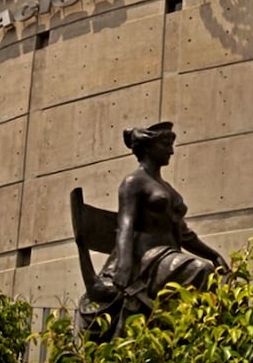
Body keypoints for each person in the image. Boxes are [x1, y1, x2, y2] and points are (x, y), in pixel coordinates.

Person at [84, 122, 228, 332]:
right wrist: (124, 266)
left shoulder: (166, 187)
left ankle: (193, 331)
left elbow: (184, 234)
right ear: (148, 148)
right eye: (165, 145)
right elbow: (125, 226)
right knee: (201, 270)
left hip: (168, 256)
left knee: (215, 280)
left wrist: (213, 255)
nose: (171, 151)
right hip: (146, 261)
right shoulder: (133, 182)